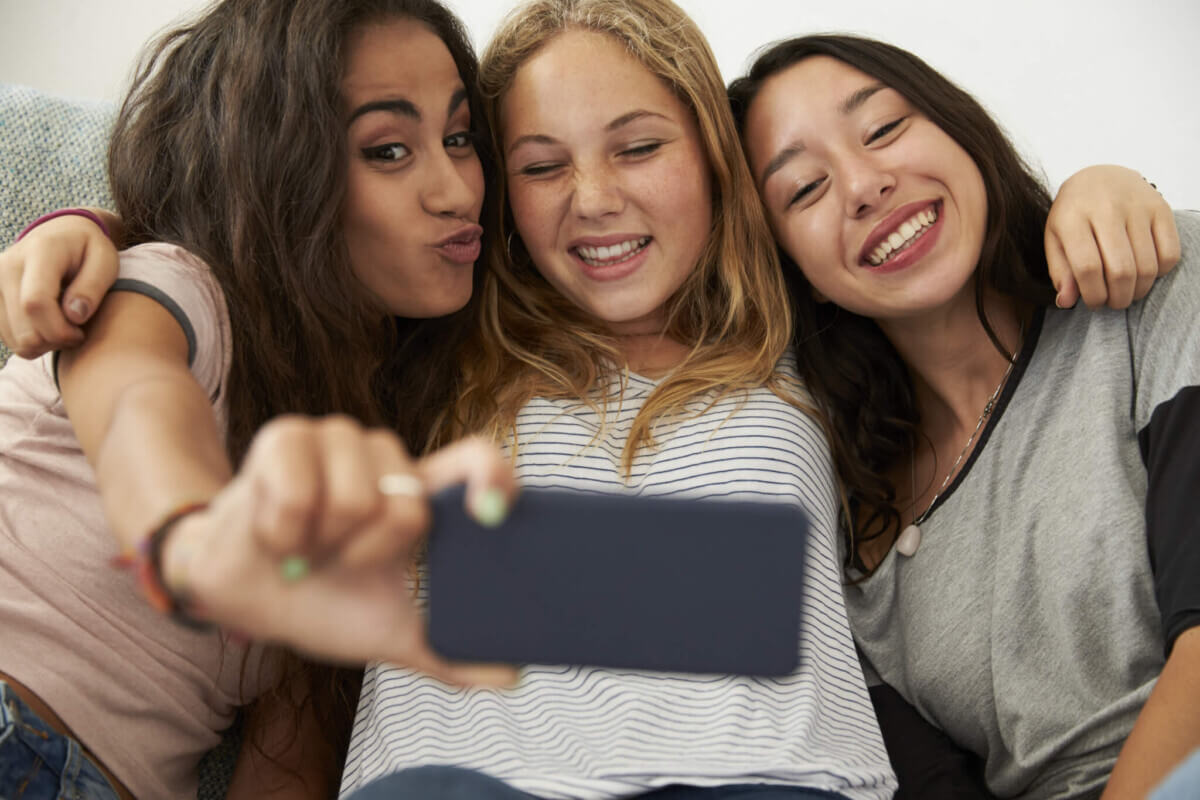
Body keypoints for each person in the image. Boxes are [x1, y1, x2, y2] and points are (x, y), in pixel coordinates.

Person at [0, 4, 1178, 799]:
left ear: (718, 165)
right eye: (540, 163)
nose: (595, 200)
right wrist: (88, 231)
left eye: (637, 146)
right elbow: (247, 261)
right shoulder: (434, 348)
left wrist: (1087, 189)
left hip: (763, 774)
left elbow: (923, 256)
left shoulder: (803, 334)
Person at [0, 1, 519, 798]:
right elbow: (138, 402)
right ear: (282, 170)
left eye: (457, 138)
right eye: (387, 150)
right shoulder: (171, 285)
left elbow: (290, 760)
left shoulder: (369, 451)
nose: (455, 190)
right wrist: (186, 531)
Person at [729, 34, 1196, 799]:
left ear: (958, 126)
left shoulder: (1153, 286)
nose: (863, 184)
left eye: (882, 129)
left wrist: (1109, 179)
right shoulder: (852, 542)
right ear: (794, 271)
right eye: (805, 189)